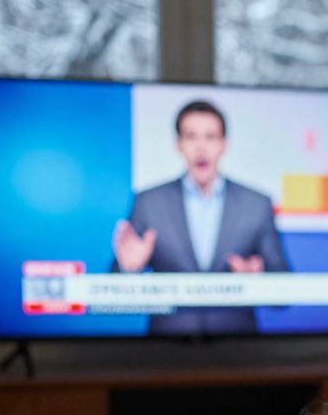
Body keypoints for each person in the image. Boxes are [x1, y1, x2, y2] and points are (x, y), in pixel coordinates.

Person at [112, 100, 289, 335]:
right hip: (166, 351)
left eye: (211, 137)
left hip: (240, 351)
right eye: (191, 136)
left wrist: (258, 280)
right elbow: (112, 289)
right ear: (178, 144)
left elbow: (284, 293)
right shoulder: (149, 202)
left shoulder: (256, 204)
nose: (201, 147)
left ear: (224, 145)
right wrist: (128, 270)